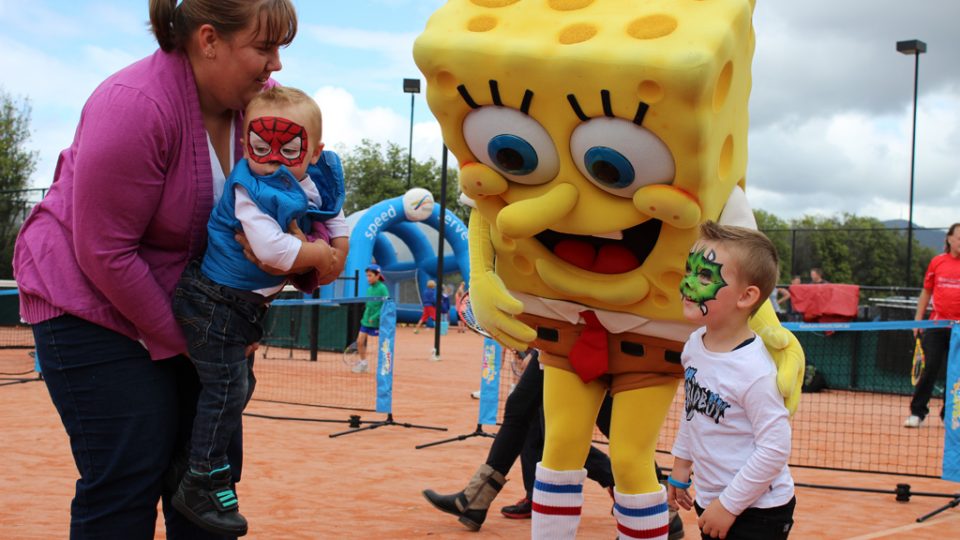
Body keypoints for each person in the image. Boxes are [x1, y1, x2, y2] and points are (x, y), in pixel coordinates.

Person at [10, 1, 331, 537]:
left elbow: (299, 201)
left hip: (193, 310)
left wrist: (316, 255)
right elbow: (105, 253)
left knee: (208, 488)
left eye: (280, 49)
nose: (276, 64)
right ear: (209, 40)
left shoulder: (255, 114)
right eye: (264, 47)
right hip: (91, 307)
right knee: (126, 480)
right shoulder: (133, 105)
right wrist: (202, 341)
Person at [170, 86, 348, 535]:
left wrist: (337, 248)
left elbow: (334, 214)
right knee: (226, 391)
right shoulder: (250, 186)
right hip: (213, 303)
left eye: (289, 149)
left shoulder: (314, 177)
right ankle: (201, 477)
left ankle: (200, 467)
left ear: (314, 151)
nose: (272, 159)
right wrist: (319, 257)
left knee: (238, 387)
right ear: (245, 142)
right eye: (258, 146)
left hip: (242, 309)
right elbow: (270, 248)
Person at [422, 349, 684, 538]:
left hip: (580, 326)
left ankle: (658, 509)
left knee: (597, 424)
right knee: (531, 414)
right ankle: (476, 499)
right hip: (563, 328)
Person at [668, 221, 795, 540]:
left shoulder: (754, 371)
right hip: (712, 500)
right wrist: (681, 465)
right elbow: (692, 410)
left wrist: (729, 505)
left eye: (705, 275)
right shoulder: (694, 345)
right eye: (689, 270)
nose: (689, 283)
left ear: (746, 296)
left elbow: (775, 449)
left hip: (759, 510)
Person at [904, 223, 960, 428]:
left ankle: (950, 416)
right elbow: (926, 292)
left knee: (956, 373)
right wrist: (918, 320)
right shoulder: (937, 262)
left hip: (959, 329)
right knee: (929, 370)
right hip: (937, 326)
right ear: (949, 239)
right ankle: (917, 413)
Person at [352, 264, 389, 374]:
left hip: (378, 322)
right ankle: (364, 364)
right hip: (366, 321)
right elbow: (368, 305)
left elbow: (386, 305)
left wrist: (375, 317)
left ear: (377, 276)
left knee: (384, 344)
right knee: (359, 342)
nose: (368, 278)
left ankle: (385, 366)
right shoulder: (369, 289)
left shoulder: (383, 288)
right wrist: (365, 318)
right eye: (367, 276)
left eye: (370, 275)